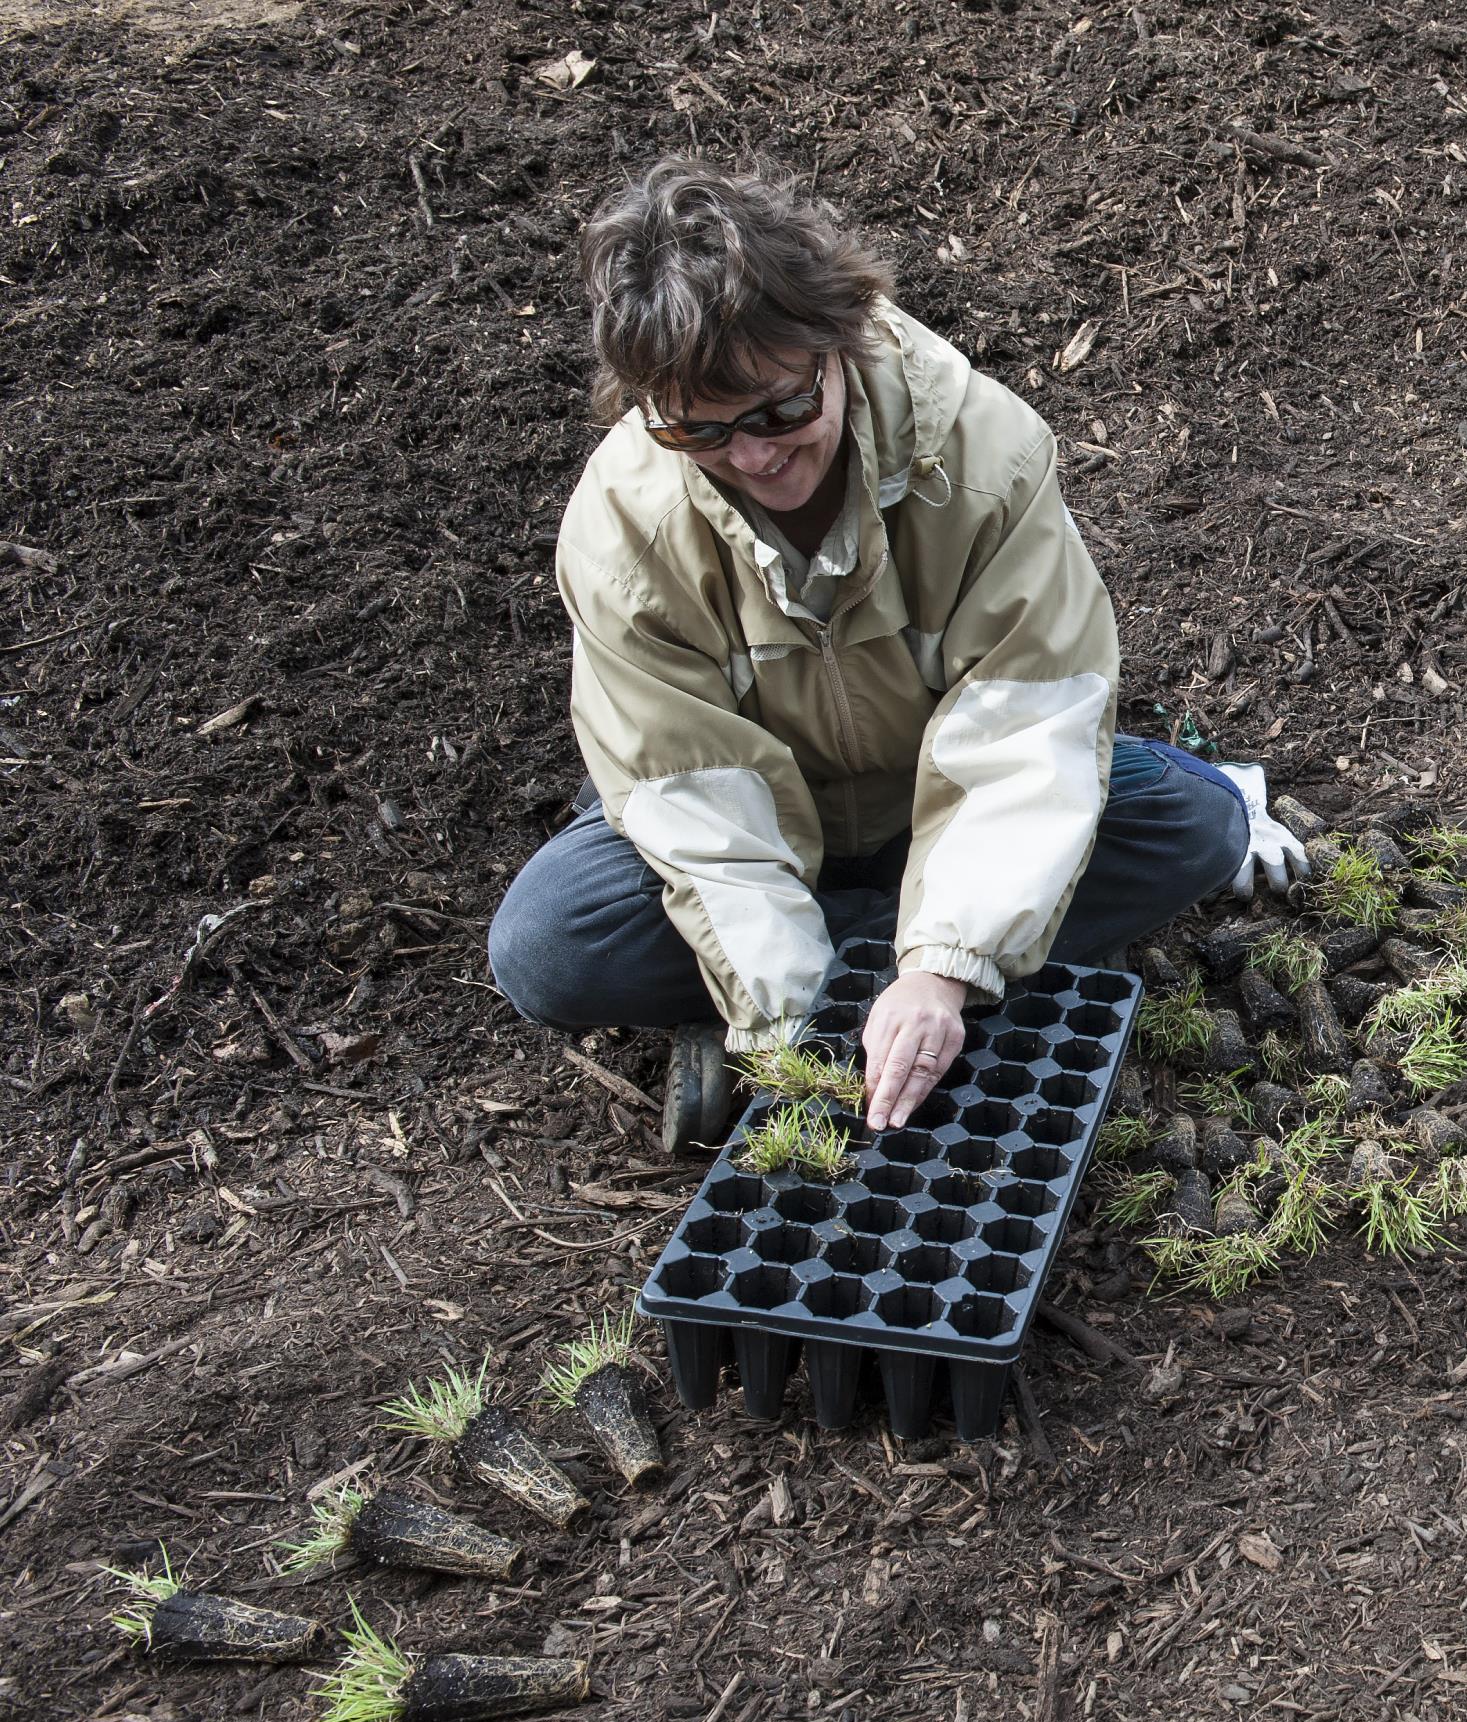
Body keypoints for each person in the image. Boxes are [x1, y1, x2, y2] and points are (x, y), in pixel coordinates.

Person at [488, 159, 1297, 1151]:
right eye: (700, 429)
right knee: (550, 949)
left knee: (1196, 827)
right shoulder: (624, 530)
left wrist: (941, 966)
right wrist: (794, 1032)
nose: (753, 456)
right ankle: (926, 961)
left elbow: (1027, 723)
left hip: (937, 795)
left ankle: (917, 953)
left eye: (781, 410)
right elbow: (696, 804)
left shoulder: (981, 456)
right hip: (761, 828)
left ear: (843, 339)